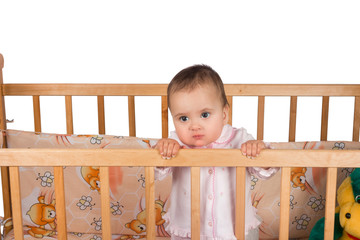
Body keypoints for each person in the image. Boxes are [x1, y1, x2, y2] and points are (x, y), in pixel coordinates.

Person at [155, 64, 278, 240]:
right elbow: (156, 169)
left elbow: (266, 169)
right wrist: (163, 151)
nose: (194, 125)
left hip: (233, 229)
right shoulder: (176, 143)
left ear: (224, 114)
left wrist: (258, 150)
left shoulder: (240, 140)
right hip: (188, 229)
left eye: (204, 115)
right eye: (183, 118)